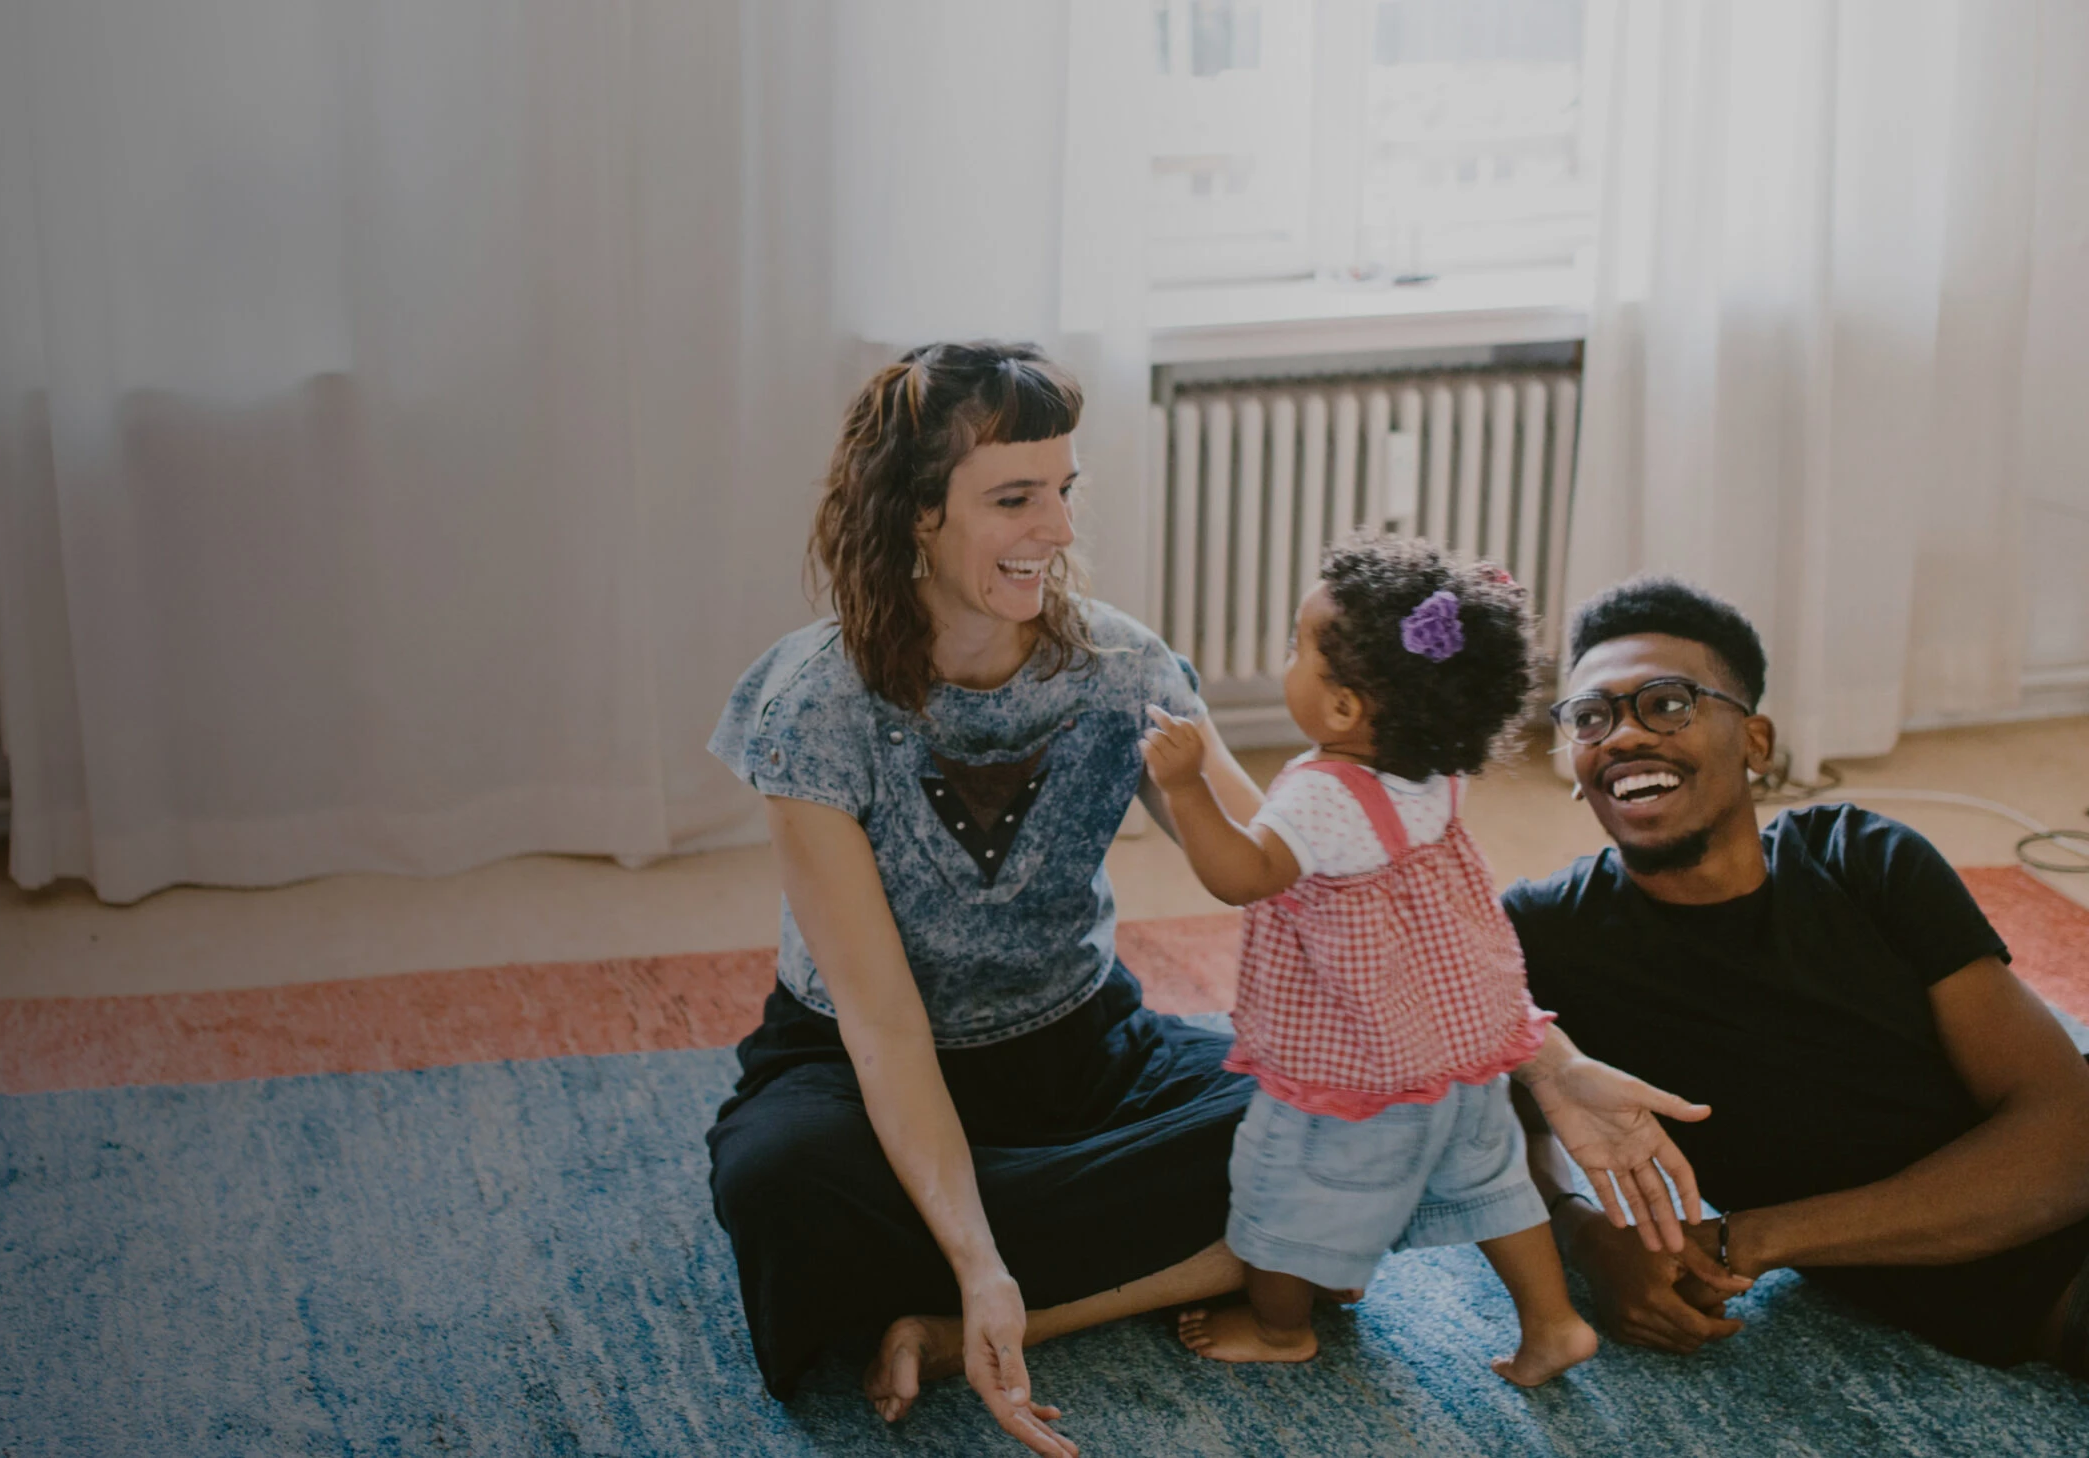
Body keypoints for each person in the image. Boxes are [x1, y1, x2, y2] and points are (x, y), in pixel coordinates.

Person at [704, 342, 1710, 1455]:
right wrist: (978, 1255)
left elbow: (1311, 876)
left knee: (1347, 1127)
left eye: (1063, 492)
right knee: (780, 1187)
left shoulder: (1120, 667)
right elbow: (884, 1026)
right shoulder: (811, 706)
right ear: (913, 514)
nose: (1060, 529)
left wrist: (1549, 1064)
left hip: (1082, 1054)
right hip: (858, 1064)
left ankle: (978, 1324)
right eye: (1013, 498)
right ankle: (1005, 1263)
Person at [1504, 577, 2089, 1376]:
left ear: (1754, 742)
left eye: (1668, 703)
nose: (1626, 735)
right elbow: (1485, 1133)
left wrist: (1749, 1237)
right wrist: (1591, 1237)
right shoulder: (1544, 934)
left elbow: (2068, 1136)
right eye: (1592, 717)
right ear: (1575, 763)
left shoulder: (1860, 860)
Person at [1140, 537, 1600, 1386]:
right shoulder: (1436, 768)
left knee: (1283, 1190)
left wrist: (1187, 787)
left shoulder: (1320, 795)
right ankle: (1554, 1322)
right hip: (1461, 1046)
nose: (1288, 661)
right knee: (1495, 1185)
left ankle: (1282, 1329)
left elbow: (1242, 877)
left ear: (1347, 708)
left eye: (1297, 648)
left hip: (1362, 1060)